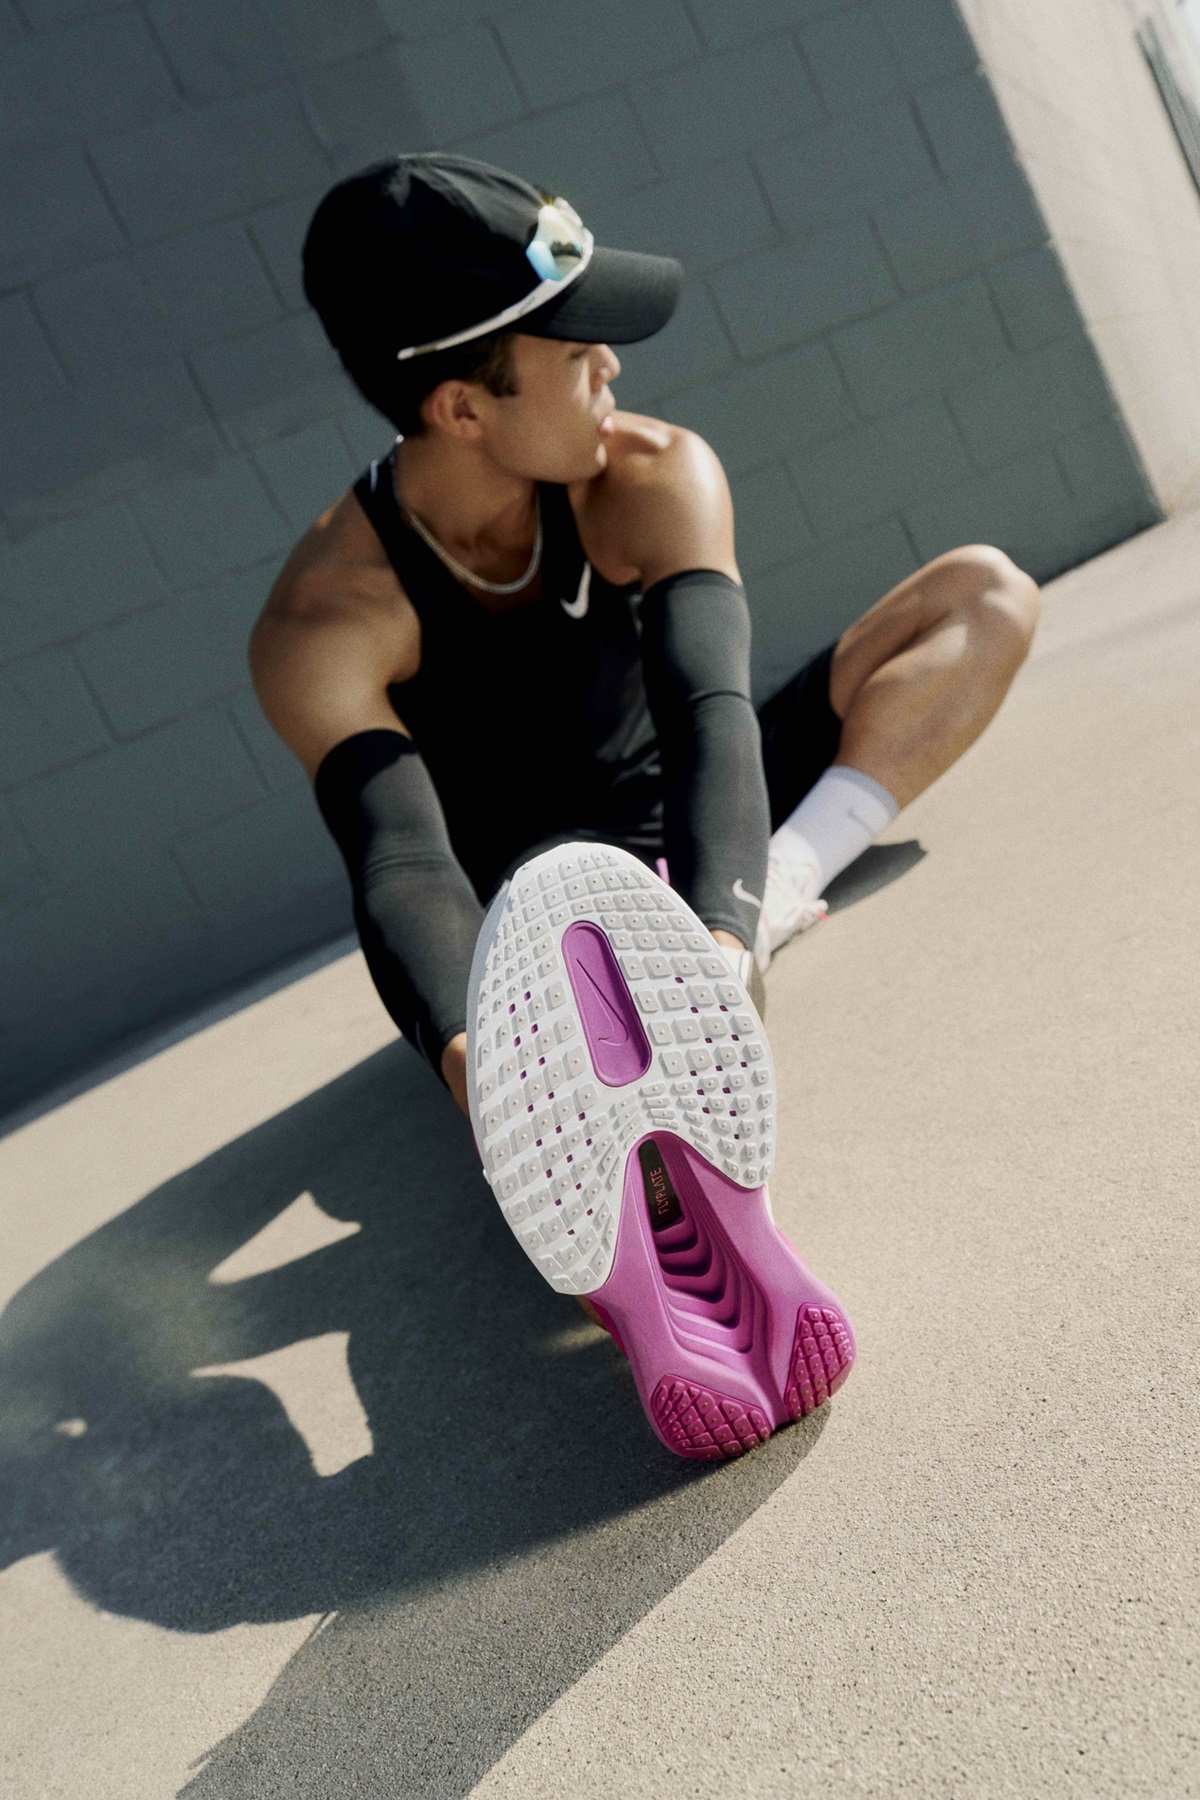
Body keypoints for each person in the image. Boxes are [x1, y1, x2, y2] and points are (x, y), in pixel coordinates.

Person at [251, 155, 1039, 1456]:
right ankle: (608, 1203)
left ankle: (783, 891)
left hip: (681, 820)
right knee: (550, 1089)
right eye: (576, 354)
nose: (614, 368)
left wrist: (726, 929)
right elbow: (402, 866)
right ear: (462, 405)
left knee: (983, 597)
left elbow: (708, 715)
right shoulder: (327, 619)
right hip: (531, 929)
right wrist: (483, 1063)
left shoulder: (651, 472)